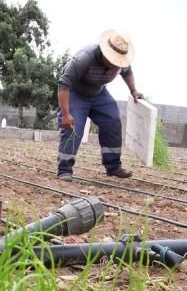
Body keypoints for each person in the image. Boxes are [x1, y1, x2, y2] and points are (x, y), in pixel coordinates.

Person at [56, 30, 143, 181]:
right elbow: (64, 84)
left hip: (99, 94)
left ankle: (113, 167)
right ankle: (65, 169)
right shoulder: (84, 58)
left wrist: (134, 90)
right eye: (113, 60)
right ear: (105, 52)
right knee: (73, 126)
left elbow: (127, 71)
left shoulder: (120, 63)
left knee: (113, 122)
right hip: (75, 94)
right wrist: (65, 114)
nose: (116, 65)